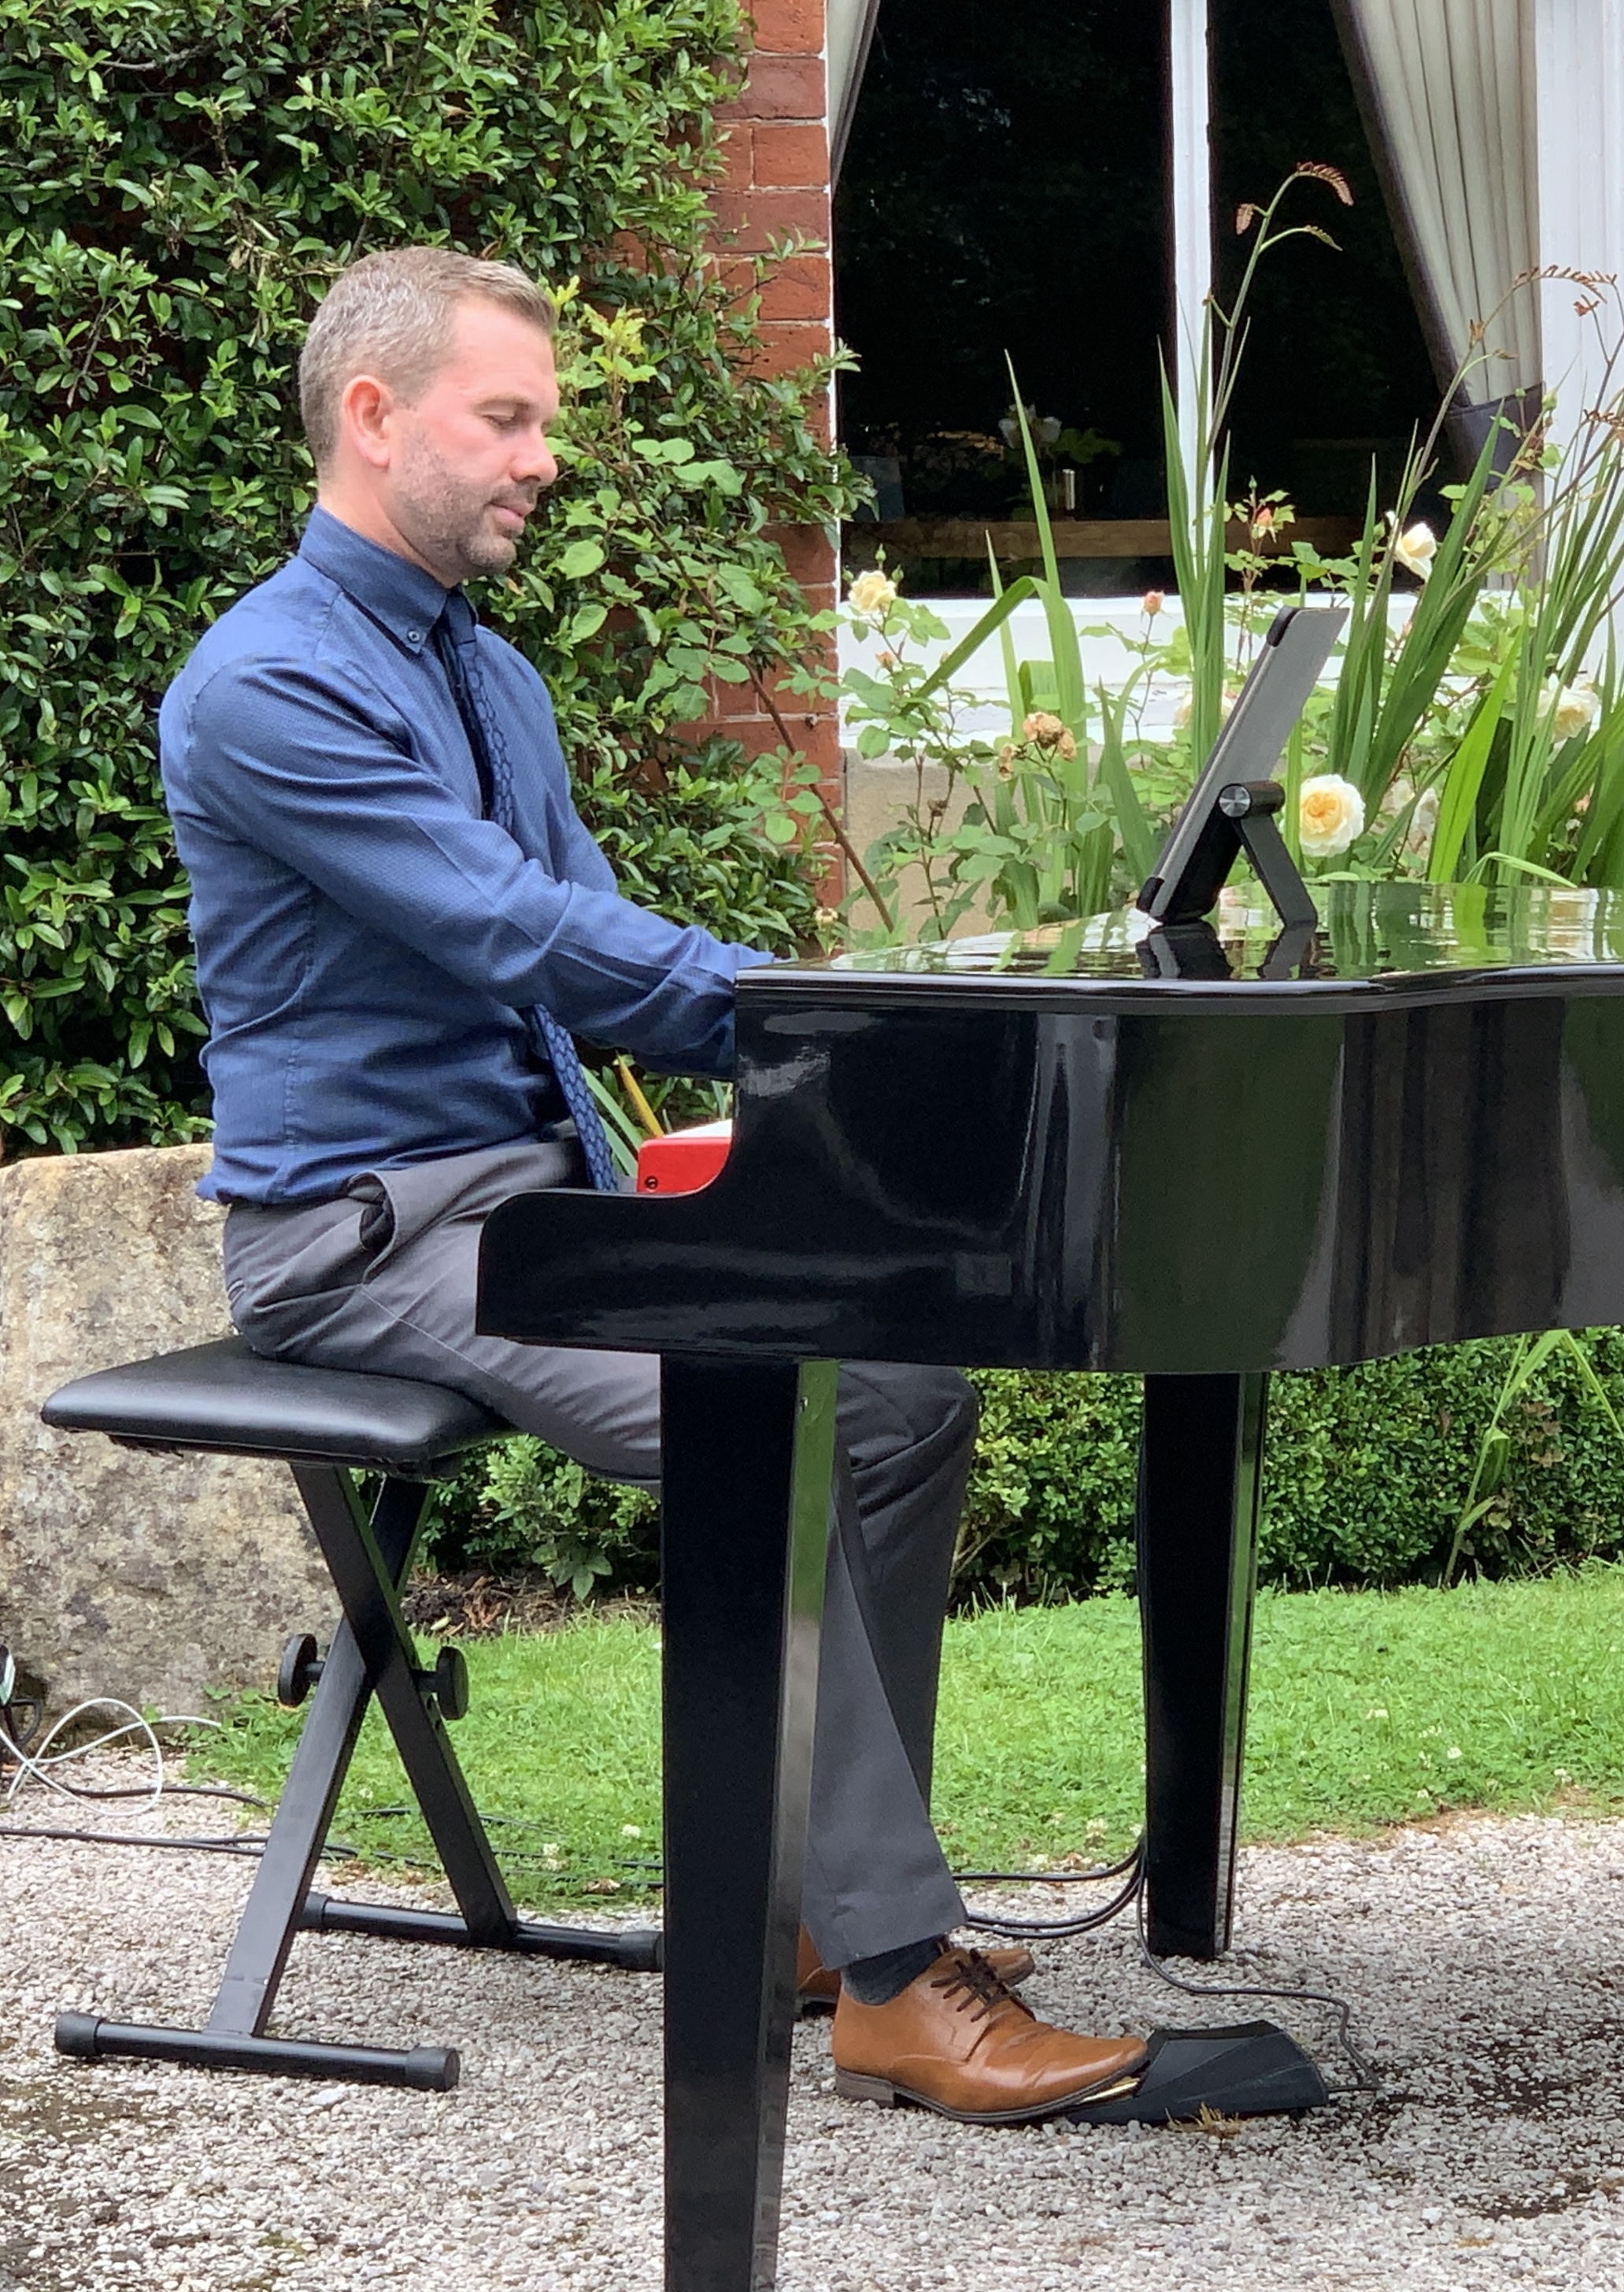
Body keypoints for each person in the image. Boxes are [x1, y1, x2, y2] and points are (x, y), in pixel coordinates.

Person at [157, 245, 1147, 2124]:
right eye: (507, 418)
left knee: (906, 1391)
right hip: (365, 1240)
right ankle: (891, 1976)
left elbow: (599, 928)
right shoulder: (265, 688)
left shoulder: (491, 675)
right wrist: (820, 1036)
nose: (543, 459)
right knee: (758, 1416)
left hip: (538, 1203)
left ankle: (808, 1903)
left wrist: (821, 1044)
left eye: (546, 423)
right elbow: (514, 932)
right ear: (373, 418)